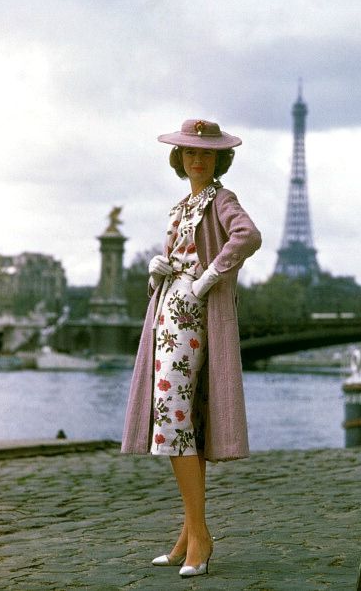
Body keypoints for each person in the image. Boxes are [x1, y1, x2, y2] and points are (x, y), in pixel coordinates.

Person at [121, 119, 261, 578]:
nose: (197, 160)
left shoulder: (222, 200)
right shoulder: (182, 205)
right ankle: (188, 535)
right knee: (185, 418)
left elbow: (248, 236)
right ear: (179, 159)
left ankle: (200, 534)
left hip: (190, 314)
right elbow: (182, 251)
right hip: (168, 310)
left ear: (220, 159)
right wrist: (158, 269)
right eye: (189, 154)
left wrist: (209, 275)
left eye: (206, 154)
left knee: (174, 418)